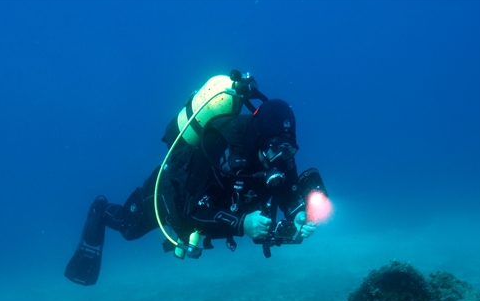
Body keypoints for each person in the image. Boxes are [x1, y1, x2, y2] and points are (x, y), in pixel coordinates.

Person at [65, 71, 324, 286]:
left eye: (288, 150)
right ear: (258, 139)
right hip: (169, 193)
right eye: (275, 149)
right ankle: (100, 209)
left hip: (216, 210)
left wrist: (297, 213)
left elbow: (287, 191)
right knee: (129, 229)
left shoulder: (281, 154)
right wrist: (242, 223)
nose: (280, 159)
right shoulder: (220, 146)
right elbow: (192, 210)